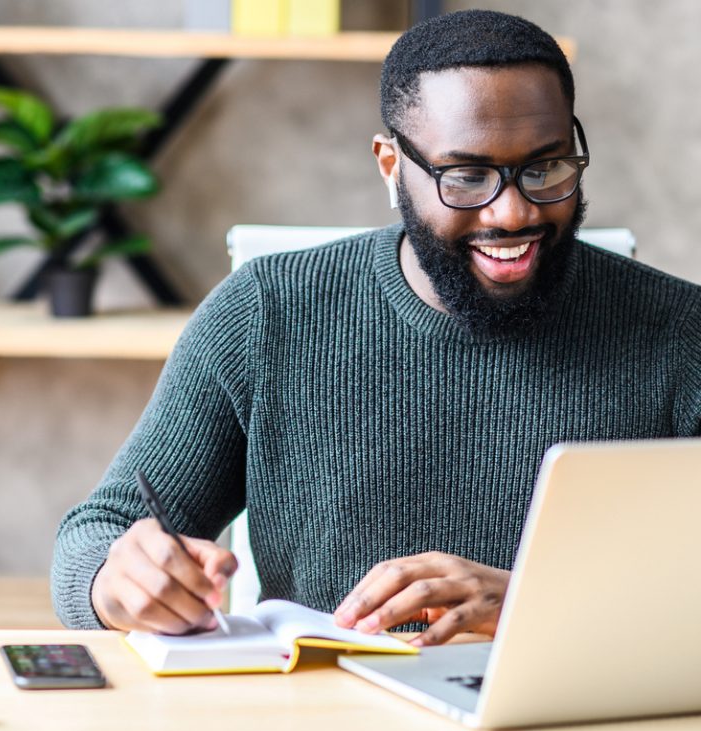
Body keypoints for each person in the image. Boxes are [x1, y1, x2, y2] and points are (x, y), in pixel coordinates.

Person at [52, 10, 701, 645]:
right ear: (391, 166)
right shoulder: (264, 314)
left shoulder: (680, 333)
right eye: (467, 176)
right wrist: (120, 580)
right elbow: (98, 532)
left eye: (545, 168)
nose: (511, 211)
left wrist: (538, 603)